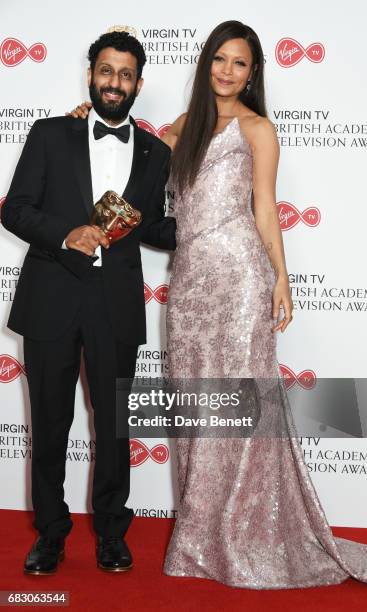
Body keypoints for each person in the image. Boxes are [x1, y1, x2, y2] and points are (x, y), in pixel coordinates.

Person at [160, 21, 367, 588]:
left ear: (253, 74)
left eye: (240, 63)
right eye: (220, 59)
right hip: (190, 289)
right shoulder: (179, 129)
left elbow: (266, 211)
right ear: (205, 64)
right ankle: (200, 532)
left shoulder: (258, 130)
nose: (227, 71)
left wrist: (281, 278)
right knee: (197, 408)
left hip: (241, 280)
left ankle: (243, 531)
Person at [1, 30, 175, 575]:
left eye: (125, 74)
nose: (114, 83)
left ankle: (110, 533)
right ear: (91, 75)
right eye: (106, 71)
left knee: (115, 424)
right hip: (51, 294)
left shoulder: (156, 153)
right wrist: (65, 234)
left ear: (139, 83)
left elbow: (154, 227)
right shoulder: (51, 134)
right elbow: (15, 210)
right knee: (50, 423)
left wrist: (215, 224)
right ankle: (50, 534)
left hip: (115, 304)